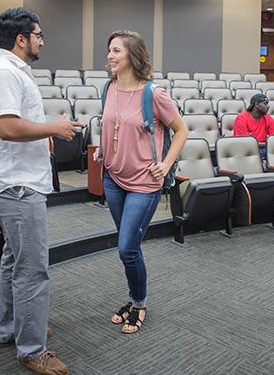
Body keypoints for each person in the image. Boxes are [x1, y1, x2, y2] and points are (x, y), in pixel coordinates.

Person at [0, 8, 83, 375]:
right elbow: (6, 127)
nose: (41, 40)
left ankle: (11, 328)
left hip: (17, 181)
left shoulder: (10, 71)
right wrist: (52, 127)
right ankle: (32, 349)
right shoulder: (4, 73)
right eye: (38, 34)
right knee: (33, 268)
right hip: (16, 184)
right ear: (21, 38)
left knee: (12, 259)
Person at [95, 30, 187, 334]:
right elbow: (111, 124)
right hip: (112, 178)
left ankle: (138, 302)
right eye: (109, 50)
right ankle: (135, 297)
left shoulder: (153, 94)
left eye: (116, 51)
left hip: (144, 184)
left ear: (132, 56)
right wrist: (102, 148)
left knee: (126, 248)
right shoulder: (108, 88)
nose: (110, 55)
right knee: (130, 246)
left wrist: (166, 163)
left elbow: (181, 130)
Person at [233, 93, 274, 159]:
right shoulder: (241, 118)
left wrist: (263, 144)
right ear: (256, 104)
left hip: (264, 149)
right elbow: (245, 143)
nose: (268, 106)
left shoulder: (269, 118)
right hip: (245, 151)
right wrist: (266, 144)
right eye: (265, 103)